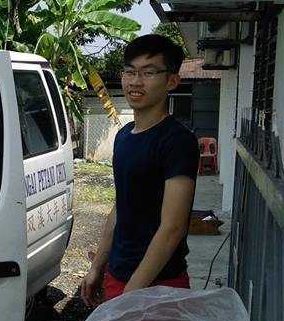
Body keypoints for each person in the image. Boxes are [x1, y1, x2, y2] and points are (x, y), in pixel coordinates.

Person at [80, 34, 199, 306]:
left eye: (148, 73)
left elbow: (173, 227)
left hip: (160, 284)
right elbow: (122, 205)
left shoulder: (177, 142)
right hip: (119, 275)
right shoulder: (124, 136)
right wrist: (98, 266)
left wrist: (132, 293)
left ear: (172, 81)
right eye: (130, 71)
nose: (135, 81)